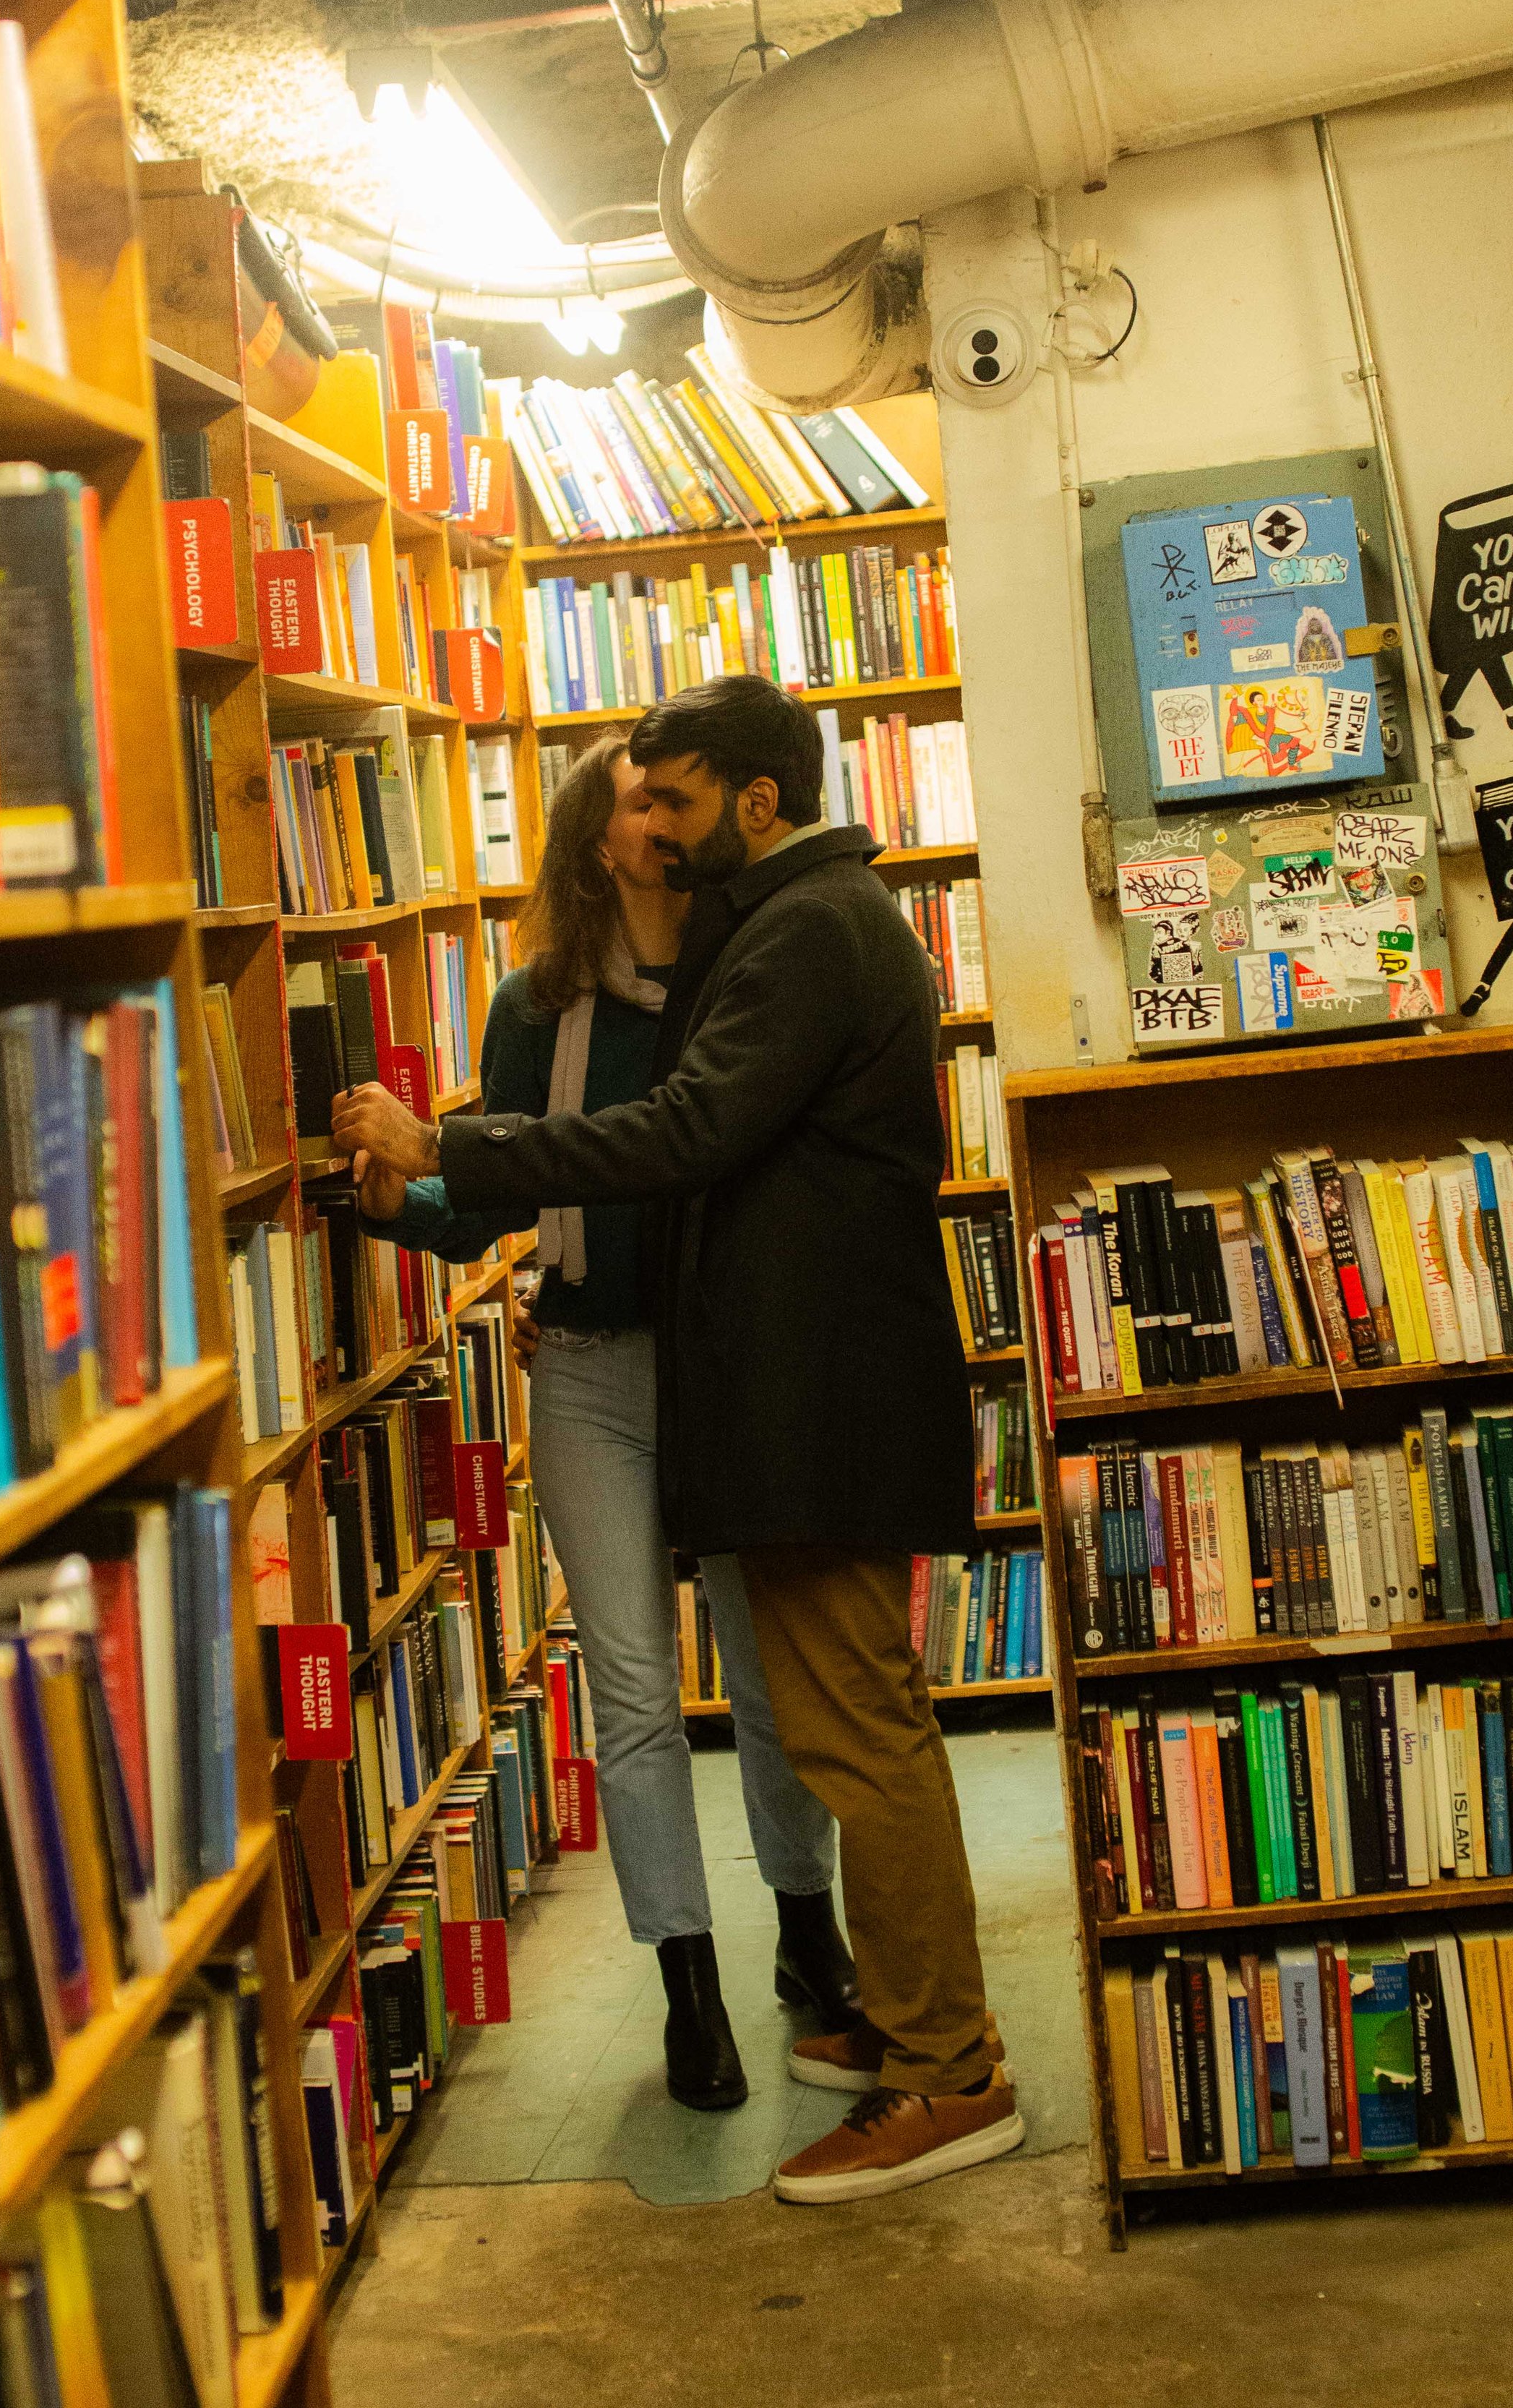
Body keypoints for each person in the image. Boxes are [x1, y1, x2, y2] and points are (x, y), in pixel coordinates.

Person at [334, 676, 1021, 2207]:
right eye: (628, 804)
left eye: (668, 799)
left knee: (856, 1730)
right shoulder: (775, 925)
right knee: (836, 1718)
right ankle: (904, 2028)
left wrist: (445, 1138)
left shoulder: (797, 932)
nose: (635, 825)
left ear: (752, 803)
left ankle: (948, 2069)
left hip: (808, 1392)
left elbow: (686, 1133)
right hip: (765, 1387)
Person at [351, 733, 858, 2113]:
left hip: (725, 1369)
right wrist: (409, 1206)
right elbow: (505, 1194)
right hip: (584, 1368)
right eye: (643, 801)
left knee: (769, 1677)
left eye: (673, 797)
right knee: (634, 1692)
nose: (667, 817)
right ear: (599, 842)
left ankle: (809, 1940)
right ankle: (689, 1986)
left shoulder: (740, 981)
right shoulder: (535, 1009)